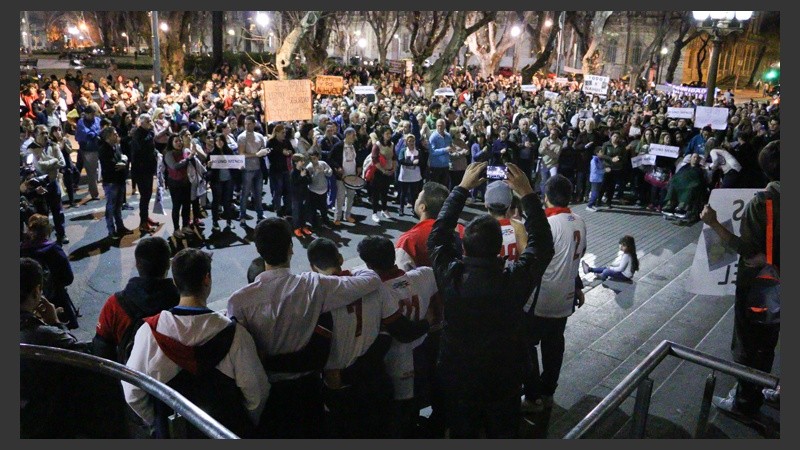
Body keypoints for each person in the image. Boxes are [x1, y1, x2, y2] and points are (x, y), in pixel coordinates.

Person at [428, 161, 554, 438]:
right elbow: (543, 245)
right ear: (499, 246)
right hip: (504, 377)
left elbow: (437, 237)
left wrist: (461, 189)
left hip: (458, 375)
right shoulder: (513, 280)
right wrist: (528, 194)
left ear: (464, 245)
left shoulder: (451, 277)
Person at [226, 218, 382, 438]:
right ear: (291, 248)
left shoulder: (238, 302)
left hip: (267, 388)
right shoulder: (313, 285)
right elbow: (371, 280)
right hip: (308, 388)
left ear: (259, 250)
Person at [122, 248, 269, 438]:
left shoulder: (149, 332)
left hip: (175, 433)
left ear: (175, 281)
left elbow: (133, 392)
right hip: (223, 429)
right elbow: (256, 392)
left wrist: (158, 422)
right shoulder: (235, 335)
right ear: (207, 278)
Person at [701, 141, 780, 424]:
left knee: (748, 345)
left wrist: (714, 223)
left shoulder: (763, 202)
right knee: (768, 339)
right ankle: (766, 386)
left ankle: (746, 400)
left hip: (761, 287)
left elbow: (747, 249)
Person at [521, 175, 587, 413]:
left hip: (541, 299)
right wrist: (577, 285)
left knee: (525, 346)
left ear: (545, 197)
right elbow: (575, 258)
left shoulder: (547, 225)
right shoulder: (579, 220)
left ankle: (532, 395)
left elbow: (531, 262)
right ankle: (548, 391)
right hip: (564, 299)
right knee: (554, 346)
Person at [20, 257, 93, 438]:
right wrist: (56, 324)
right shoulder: (45, 336)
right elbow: (86, 357)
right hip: (44, 424)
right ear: (37, 291)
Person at [93, 236, 180, 363]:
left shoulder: (114, 304)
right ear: (168, 264)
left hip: (131, 377)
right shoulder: (181, 303)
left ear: (137, 263)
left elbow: (101, 350)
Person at [20, 214, 78, 329]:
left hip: (27, 300)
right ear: (47, 231)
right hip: (54, 297)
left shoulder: (22, 250)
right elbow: (68, 278)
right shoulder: (53, 249)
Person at [25, 125, 68, 245]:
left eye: (46, 133)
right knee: (42, 214)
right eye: (42, 133)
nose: (45, 136)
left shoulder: (53, 145)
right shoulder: (31, 149)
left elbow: (62, 162)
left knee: (58, 211)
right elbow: (39, 167)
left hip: (53, 183)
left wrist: (48, 163)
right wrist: (54, 161)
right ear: (35, 136)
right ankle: (44, 238)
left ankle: (61, 234)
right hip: (39, 186)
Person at [98, 126, 133, 240]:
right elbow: (114, 165)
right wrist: (122, 162)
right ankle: (111, 231)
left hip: (119, 180)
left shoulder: (116, 146)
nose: (117, 135)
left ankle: (120, 227)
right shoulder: (104, 149)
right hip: (111, 182)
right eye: (114, 134)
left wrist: (123, 160)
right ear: (108, 137)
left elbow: (123, 157)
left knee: (118, 206)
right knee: (111, 207)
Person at [129, 113, 161, 234]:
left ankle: (145, 217)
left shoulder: (147, 132)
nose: (151, 123)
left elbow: (151, 147)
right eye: (148, 121)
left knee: (147, 195)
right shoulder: (138, 134)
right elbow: (144, 147)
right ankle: (143, 222)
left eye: (150, 121)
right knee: (145, 196)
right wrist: (152, 131)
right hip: (141, 170)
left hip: (147, 169)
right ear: (141, 123)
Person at [237, 115, 269, 226]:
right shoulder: (242, 137)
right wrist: (256, 154)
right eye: (245, 123)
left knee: (258, 193)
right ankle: (242, 215)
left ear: (254, 124)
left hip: (258, 168)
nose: (247, 126)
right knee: (245, 193)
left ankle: (260, 214)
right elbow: (241, 154)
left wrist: (264, 151)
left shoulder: (259, 136)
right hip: (247, 169)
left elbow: (262, 150)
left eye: (249, 123)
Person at [484, 181, 527, 264]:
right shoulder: (520, 228)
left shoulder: (477, 230)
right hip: (513, 275)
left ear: (486, 204)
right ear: (509, 205)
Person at [329, 127, 360, 225]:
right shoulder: (338, 145)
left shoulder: (355, 145)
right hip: (341, 176)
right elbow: (330, 158)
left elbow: (357, 157)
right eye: (353, 135)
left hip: (352, 176)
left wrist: (359, 166)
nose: (354, 137)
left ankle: (347, 215)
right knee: (340, 197)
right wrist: (337, 167)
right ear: (347, 135)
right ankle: (337, 217)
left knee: (351, 196)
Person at [266, 123, 295, 216]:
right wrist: (281, 152)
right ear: (277, 133)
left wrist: (289, 152)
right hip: (276, 170)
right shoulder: (270, 142)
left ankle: (288, 209)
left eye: (285, 133)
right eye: (282, 133)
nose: (284, 134)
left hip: (286, 169)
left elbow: (292, 151)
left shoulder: (286, 141)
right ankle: (278, 209)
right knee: (277, 191)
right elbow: (270, 154)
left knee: (288, 190)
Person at [370, 125, 397, 223]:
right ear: (382, 134)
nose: (389, 135)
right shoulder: (377, 145)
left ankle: (384, 209)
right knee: (376, 193)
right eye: (387, 134)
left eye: (390, 133)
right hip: (378, 172)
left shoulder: (392, 144)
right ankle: (374, 213)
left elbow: (394, 157)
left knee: (385, 192)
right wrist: (382, 170)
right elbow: (374, 159)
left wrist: (393, 168)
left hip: (388, 171)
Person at [75, 104, 101, 200]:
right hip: (88, 149)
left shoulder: (97, 120)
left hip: (98, 147)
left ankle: (94, 189)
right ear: (86, 114)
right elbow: (87, 133)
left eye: (94, 114)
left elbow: (100, 129)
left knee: (97, 170)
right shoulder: (81, 122)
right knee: (91, 172)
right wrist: (95, 133)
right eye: (91, 114)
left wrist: (95, 133)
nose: (93, 116)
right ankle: (94, 193)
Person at [305, 149, 333, 229]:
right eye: (311, 159)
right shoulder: (309, 167)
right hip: (313, 191)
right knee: (313, 209)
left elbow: (330, 172)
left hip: (323, 190)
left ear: (318, 157)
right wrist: (316, 173)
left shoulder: (323, 163)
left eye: (315, 158)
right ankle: (315, 224)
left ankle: (325, 221)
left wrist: (325, 171)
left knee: (324, 208)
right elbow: (309, 180)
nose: (313, 160)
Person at [289, 153, 313, 237]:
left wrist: (304, 177)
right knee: (296, 212)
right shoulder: (293, 172)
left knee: (304, 211)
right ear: (296, 162)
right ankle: (296, 228)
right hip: (296, 196)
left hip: (304, 194)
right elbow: (294, 184)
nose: (303, 162)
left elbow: (310, 181)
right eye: (301, 161)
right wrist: (301, 177)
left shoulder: (305, 170)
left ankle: (303, 226)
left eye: (303, 161)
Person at [428, 119, 452, 187]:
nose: (440, 127)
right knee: (435, 187)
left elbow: (450, 146)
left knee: (445, 186)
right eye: (438, 126)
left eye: (441, 126)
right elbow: (432, 152)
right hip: (436, 166)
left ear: (445, 126)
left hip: (446, 165)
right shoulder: (433, 137)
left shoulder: (448, 136)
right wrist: (444, 150)